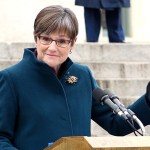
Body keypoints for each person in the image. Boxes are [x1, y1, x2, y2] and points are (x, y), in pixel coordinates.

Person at [0, 5, 150, 150]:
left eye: (61, 41)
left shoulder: (82, 75)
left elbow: (117, 124)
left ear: (73, 43)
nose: (52, 48)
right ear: (36, 38)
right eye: (46, 39)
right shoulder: (11, 79)